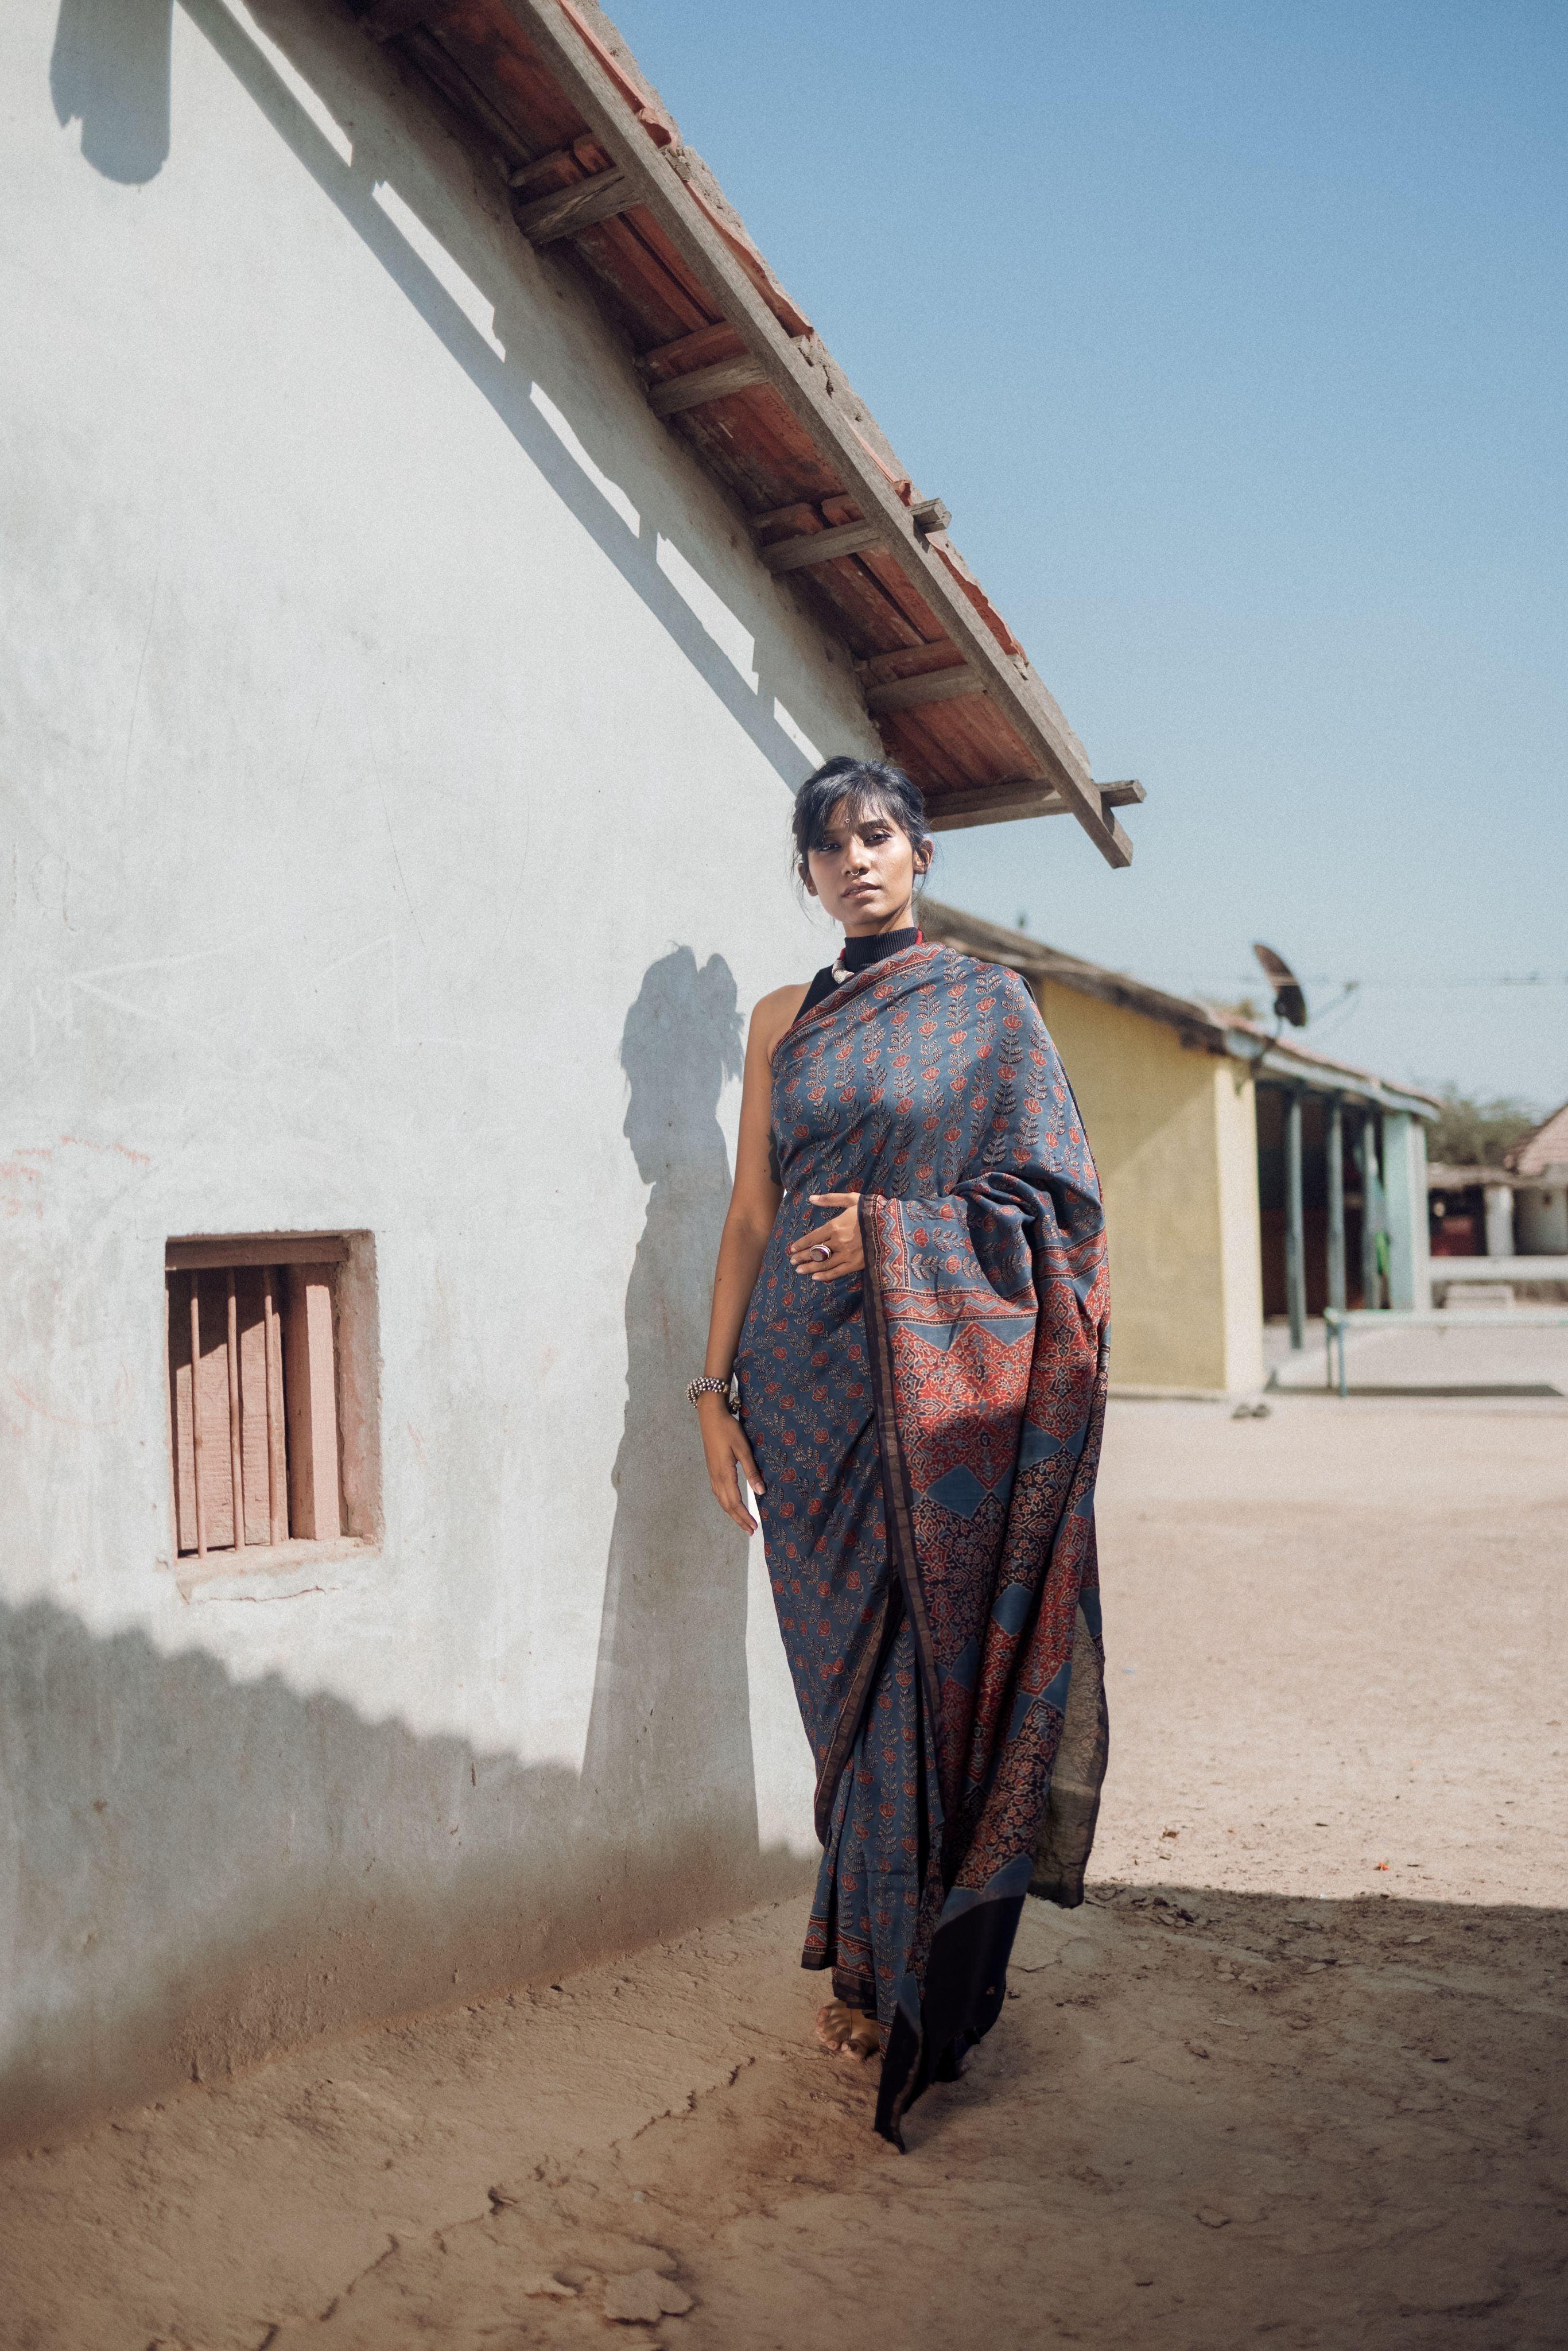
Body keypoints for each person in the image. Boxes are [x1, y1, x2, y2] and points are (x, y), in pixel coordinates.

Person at [692, 755, 1111, 2147]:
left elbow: (1053, 1201)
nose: (855, 860)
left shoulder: (989, 1010)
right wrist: (710, 1389)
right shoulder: (777, 1020)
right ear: (805, 874)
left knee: (918, 1682)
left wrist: (892, 1231)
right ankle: (872, 1930)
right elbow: (751, 1216)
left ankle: (893, 1974)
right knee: (838, 1688)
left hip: (936, 1388)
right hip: (802, 1391)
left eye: (878, 834)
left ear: (920, 852)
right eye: (828, 846)